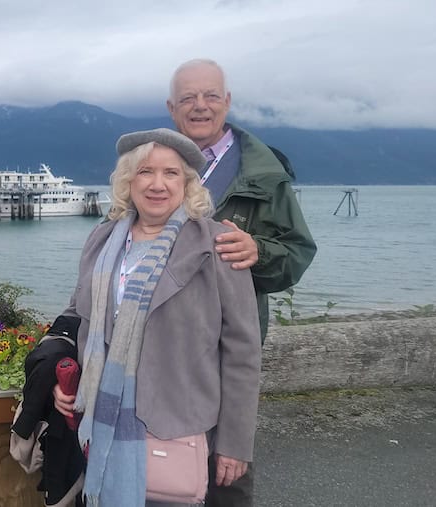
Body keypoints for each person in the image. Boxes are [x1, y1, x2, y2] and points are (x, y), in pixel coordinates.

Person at [51, 128, 262, 506]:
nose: (157, 184)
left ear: (188, 184)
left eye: (171, 173)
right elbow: (79, 318)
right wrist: (68, 383)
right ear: (128, 180)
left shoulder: (217, 245)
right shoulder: (101, 240)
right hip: (101, 422)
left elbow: (242, 351)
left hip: (182, 423)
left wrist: (235, 440)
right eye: (146, 171)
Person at [166, 58, 317, 506]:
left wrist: (260, 253)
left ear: (227, 102)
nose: (200, 107)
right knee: (158, 463)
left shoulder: (264, 175)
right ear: (171, 107)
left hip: (223, 348)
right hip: (157, 346)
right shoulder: (154, 164)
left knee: (224, 468)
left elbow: (297, 254)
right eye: (189, 98)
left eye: (211, 96)